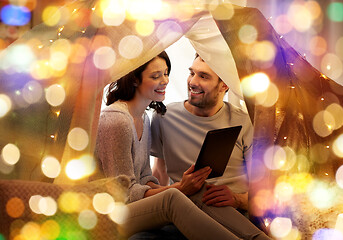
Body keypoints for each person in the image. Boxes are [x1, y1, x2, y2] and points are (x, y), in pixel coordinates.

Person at [94, 51, 269, 240]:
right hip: (110, 212)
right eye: (156, 76)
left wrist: (186, 188)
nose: (165, 81)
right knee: (174, 197)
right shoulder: (118, 120)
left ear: (224, 85)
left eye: (166, 73)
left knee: (197, 190)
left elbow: (145, 177)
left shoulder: (143, 118)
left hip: (224, 210)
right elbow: (123, 193)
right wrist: (179, 188)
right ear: (134, 80)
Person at [151, 53, 260, 236]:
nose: (193, 82)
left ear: (224, 85)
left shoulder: (244, 121)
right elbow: (160, 172)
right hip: (183, 212)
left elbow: (265, 188)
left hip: (233, 213)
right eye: (192, 73)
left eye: (203, 76)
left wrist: (237, 200)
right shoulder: (164, 117)